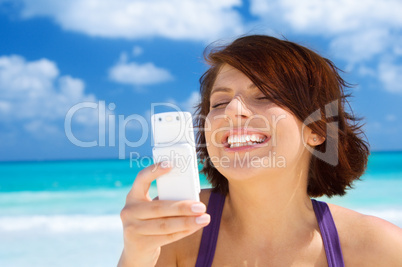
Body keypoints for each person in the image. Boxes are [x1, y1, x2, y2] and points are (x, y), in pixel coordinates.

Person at [118, 35, 402, 267]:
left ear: (316, 130)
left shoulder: (380, 249)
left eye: (264, 96)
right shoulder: (176, 231)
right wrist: (136, 256)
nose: (232, 111)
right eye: (218, 103)